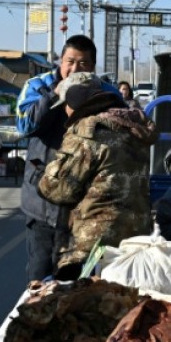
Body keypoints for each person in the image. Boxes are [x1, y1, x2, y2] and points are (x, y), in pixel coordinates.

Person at [16, 34, 119, 281]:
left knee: (74, 282)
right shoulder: (37, 86)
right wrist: (54, 96)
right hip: (42, 202)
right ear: (60, 62)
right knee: (38, 279)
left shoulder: (108, 94)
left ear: (93, 67)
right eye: (69, 62)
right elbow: (25, 126)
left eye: (82, 64)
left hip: (85, 209)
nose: (74, 69)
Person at [37, 72, 158, 280]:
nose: (65, 111)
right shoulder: (131, 126)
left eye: (65, 105)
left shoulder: (87, 132)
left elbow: (59, 190)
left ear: (74, 103)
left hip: (94, 244)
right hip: (136, 235)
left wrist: (45, 173)